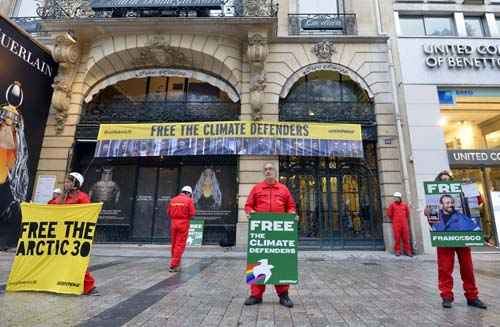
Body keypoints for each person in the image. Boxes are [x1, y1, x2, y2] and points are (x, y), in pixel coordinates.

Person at [428, 170, 487, 309]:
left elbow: (476, 203)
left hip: (462, 239)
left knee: (467, 268)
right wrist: (427, 213)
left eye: (448, 180)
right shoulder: (434, 205)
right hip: (444, 240)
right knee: (444, 269)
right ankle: (446, 296)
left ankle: (472, 297)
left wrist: (471, 189)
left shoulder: (462, 215)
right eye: (443, 180)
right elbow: (431, 221)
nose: (446, 182)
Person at [244, 162, 296, 308]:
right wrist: (250, 212)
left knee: (280, 261)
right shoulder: (257, 188)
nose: (268, 171)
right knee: (257, 261)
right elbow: (248, 205)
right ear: (263, 172)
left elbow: (291, 206)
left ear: (275, 171)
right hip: (261, 231)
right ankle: (256, 295)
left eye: (270, 169)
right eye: (265, 169)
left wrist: (291, 213)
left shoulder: (284, 189)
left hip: (279, 231)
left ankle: (283, 295)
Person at [48, 172, 97, 295]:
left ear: (76, 185)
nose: (66, 183)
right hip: (61, 234)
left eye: (69, 182)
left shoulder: (83, 197)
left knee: (77, 260)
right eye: (66, 181)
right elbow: (50, 207)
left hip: (75, 235)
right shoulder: (61, 198)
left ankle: (89, 287)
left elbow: (87, 214)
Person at [167, 186, 196, 272]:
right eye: (190, 194)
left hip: (174, 223)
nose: (190, 196)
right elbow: (192, 213)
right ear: (188, 193)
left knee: (174, 244)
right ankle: (173, 265)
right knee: (180, 245)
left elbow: (168, 212)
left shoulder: (173, 200)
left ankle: (176, 264)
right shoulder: (188, 200)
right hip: (183, 223)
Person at [386, 192, 413, 257]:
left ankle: (407, 251)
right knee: (397, 238)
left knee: (406, 238)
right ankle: (397, 251)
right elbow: (389, 214)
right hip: (396, 224)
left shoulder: (404, 205)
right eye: (395, 198)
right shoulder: (392, 205)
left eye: (397, 198)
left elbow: (407, 214)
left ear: (400, 198)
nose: (396, 199)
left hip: (404, 224)